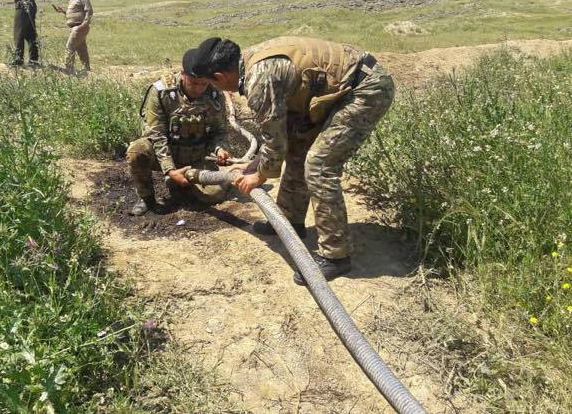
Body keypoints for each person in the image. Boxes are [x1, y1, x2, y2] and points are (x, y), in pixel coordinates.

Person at [187, 36, 395, 284]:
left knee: (320, 165)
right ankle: (289, 223)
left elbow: (275, 142)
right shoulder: (248, 64)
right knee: (298, 149)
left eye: (212, 84)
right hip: (339, 89)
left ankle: (336, 256)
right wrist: (255, 164)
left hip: (365, 90)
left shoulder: (259, 80)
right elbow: (279, 133)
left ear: (220, 77)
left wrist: (258, 176)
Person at [126, 49, 234, 216]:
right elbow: (157, 135)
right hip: (164, 154)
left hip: (197, 157)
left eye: (203, 83)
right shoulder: (161, 92)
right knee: (137, 151)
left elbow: (219, 131)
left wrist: (221, 149)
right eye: (193, 82)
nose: (198, 89)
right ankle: (146, 198)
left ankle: (182, 183)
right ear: (183, 74)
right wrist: (169, 170)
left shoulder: (214, 93)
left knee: (214, 195)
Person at [53, 0, 93, 73]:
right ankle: (87, 70)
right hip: (76, 27)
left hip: (79, 27)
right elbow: (75, 13)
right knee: (81, 49)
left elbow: (89, 11)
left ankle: (68, 71)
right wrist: (63, 11)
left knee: (69, 47)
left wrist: (83, 25)